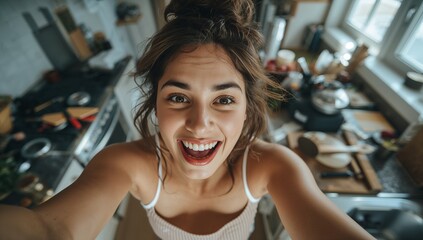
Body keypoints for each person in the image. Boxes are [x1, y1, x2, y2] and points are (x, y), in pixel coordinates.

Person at [0, 0, 374, 239]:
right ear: (155, 102)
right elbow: (50, 230)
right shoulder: (127, 164)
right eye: (178, 97)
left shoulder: (271, 167)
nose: (199, 124)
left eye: (224, 99)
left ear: (247, 108)